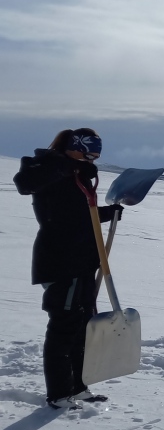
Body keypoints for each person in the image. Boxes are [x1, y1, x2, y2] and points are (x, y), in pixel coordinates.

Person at [13, 128, 122, 410]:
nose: (92, 159)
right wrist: (64, 166)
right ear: (74, 147)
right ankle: (59, 394)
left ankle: (77, 387)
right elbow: (24, 184)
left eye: (96, 155)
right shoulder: (45, 165)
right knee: (64, 328)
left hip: (83, 261)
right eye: (88, 153)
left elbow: (79, 217)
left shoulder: (78, 178)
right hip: (61, 261)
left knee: (82, 328)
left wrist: (110, 213)